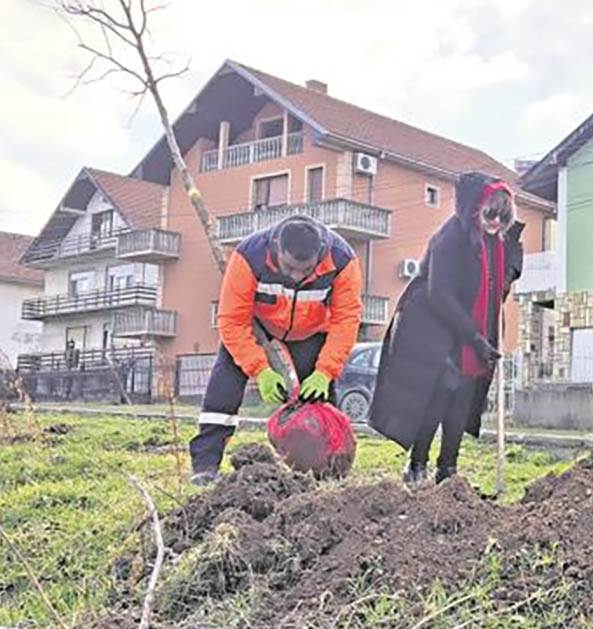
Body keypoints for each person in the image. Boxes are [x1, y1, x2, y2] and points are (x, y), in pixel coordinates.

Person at [369, 172, 524, 484]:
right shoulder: (450, 239)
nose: (495, 222)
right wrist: (474, 338)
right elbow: (440, 295)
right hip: (434, 326)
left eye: (502, 216)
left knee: (463, 399)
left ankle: (448, 468)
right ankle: (417, 465)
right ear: (474, 208)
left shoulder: (498, 241)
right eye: (490, 214)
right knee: (437, 396)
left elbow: (501, 280)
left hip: (475, 328)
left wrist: (508, 272)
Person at [188, 215, 363, 485]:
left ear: (319, 254)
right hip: (257, 330)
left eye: (305, 270)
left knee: (317, 407)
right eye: (289, 267)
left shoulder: (342, 260)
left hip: (311, 334)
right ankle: (205, 466)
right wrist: (260, 369)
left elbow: (346, 319)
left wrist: (325, 372)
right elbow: (232, 320)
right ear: (276, 248)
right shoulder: (250, 255)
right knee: (221, 395)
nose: (296, 277)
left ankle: (323, 475)